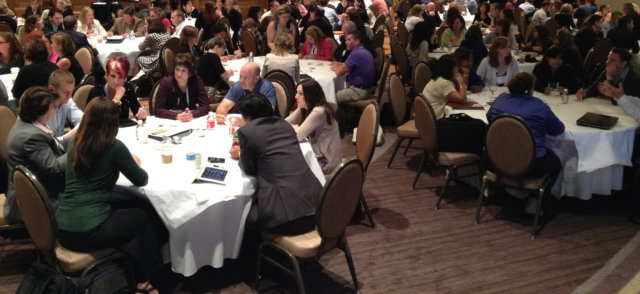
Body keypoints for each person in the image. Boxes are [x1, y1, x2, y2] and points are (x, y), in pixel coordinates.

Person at [55, 96, 167, 294]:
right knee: (145, 216)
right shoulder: (113, 147)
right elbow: (141, 179)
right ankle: (144, 280)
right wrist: (132, 160)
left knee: (128, 213)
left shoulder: (74, 142)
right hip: (89, 229)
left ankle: (132, 271)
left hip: (62, 226)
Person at [229, 93, 322, 234]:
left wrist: (241, 153)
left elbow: (249, 169)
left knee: (242, 214)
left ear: (248, 116)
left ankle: (262, 253)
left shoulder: (247, 131)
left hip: (288, 218)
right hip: (318, 207)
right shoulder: (285, 125)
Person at [487, 72, 564, 214]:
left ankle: (497, 190)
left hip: (497, 160)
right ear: (531, 90)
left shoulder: (500, 100)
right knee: (556, 163)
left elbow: (489, 118)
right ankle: (534, 201)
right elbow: (558, 130)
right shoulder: (539, 106)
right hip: (531, 165)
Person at [5, 87, 66, 223]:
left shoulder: (28, 125)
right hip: (34, 202)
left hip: (38, 189)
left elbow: (54, 145)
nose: (56, 109)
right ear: (40, 113)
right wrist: (78, 150)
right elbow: (54, 168)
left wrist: (77, 140)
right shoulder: (31, 137)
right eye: (53, 107)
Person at [286, 79, 341, 174]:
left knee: (287, 164)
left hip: (326, 162)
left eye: (300, 93)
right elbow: (285, 123)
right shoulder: (304, 107)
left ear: (310, 96)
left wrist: (295, 128)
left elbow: (297, 136)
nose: (296, 97)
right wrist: (294, 127)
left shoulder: (319, 111)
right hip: (315, 152)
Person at [88, 57, 147, 124]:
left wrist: (142, 115)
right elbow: (99, 122)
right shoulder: (95, 92)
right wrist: (116, 99)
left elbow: (137, 112)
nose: (116, 81)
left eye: (120, 77)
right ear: (106, 76)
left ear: (125, 79)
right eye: (113, 76)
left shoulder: (127, 88)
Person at [155, 53, 210, 121]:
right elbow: (158, 110)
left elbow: (206, 106)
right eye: (177, 69)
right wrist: (176, 116)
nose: (179, 74)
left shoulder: (197, 81)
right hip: (171, 121)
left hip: (190, 119)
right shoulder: (166, 82)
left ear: (190, 72)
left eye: (183, 70)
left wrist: (193, 114)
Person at [332, 31, 375, 104]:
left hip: (359, 91)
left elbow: (339, 72)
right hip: (365, 87)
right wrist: (339, 64)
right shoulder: (361, 50)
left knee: (332, 98)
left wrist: (334, 67)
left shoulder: (356, 54)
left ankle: (338, 115)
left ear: (357, 41)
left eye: (349, 40)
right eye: (346, 40)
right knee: (335, 88)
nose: (346, 42)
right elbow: (346, 65)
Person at [422, 54, 468, 119]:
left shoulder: (439, 79)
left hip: (428, 117)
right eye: (456, 67)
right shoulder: (443, 83)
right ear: (450, 68)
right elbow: (463, 100)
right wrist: (461, 82)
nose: (458, 69)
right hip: (433, 121)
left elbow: (457, 95)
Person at [48, 70, 82, 138]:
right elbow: (46, 140)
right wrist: (67, 137)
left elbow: (84, 120)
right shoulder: (41, 107)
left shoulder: (67, 101)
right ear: (52, 89)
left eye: (71, 91)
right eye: (65, 92)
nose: (69, 96)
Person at [198, 37, 233, 104]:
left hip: (202, 93)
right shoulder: (214, 57)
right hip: (211, 93)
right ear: (217, 47)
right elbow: (224, 75)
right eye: (222, 51)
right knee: (234, 94)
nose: (221, 53)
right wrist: (229, 73)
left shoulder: (203, 56)